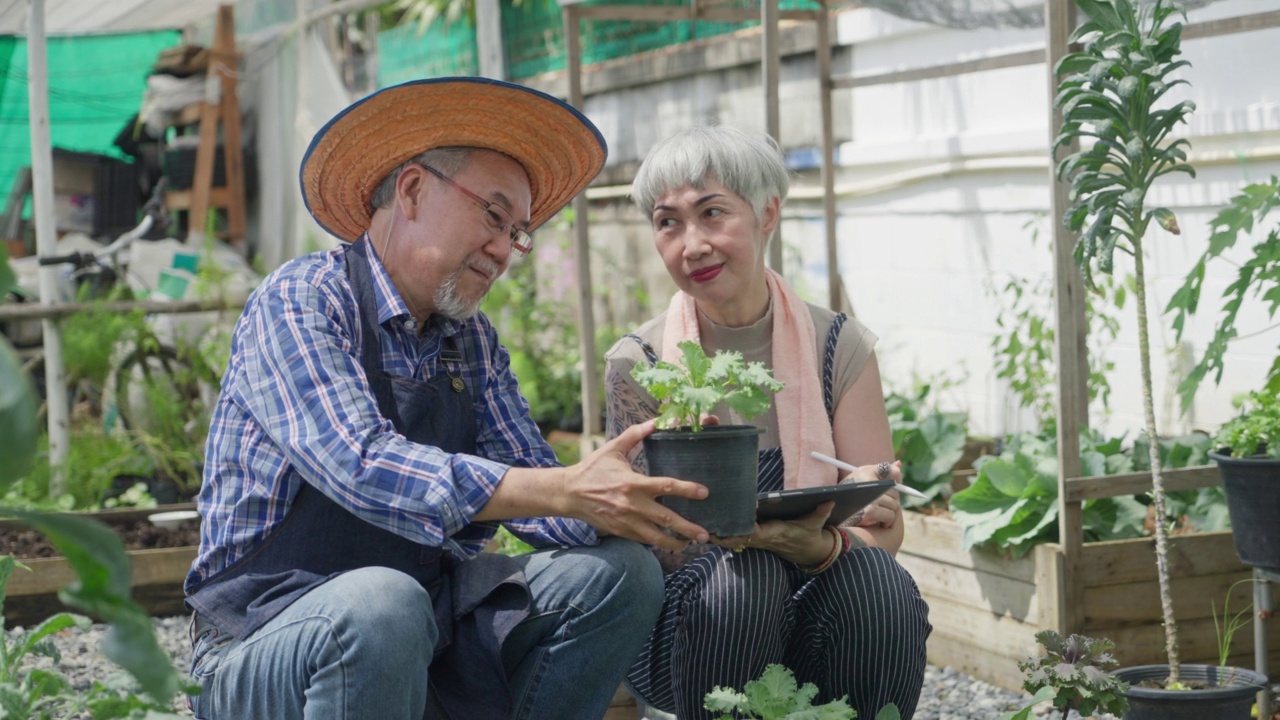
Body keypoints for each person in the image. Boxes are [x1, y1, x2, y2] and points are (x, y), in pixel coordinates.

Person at [183, 77, 714, 720]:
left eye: (518, 233)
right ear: (411, 190)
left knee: (620, 576)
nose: (503, 251)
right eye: (493, 216)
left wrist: (645, 493)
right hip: (262, 640)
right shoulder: (302, 300)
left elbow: (547, 497)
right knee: (381, 604)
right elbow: (361, 463)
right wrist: (559, 489)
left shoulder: (471, 341)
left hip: (418, 624)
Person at [604, 125, 932, 719]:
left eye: (712, 213)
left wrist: (819, 546)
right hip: (690, 619)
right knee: (746, 579)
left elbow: (884, 530)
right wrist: (727, 534)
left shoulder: (841, 346)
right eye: (668, 221)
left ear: (767, 214)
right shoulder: (641, 363)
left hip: (817, 596)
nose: (692, 244)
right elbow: (633, 544)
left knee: (879, 583)